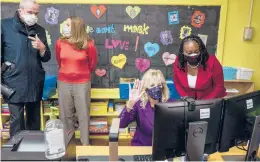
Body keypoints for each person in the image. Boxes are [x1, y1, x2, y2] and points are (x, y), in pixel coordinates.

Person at [1, 0, 51, 137]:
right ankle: (16, 155)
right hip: (13, 83)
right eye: (30, 12)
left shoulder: (40, 30)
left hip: (35, 82)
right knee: (16, 121)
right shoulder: (4, 26)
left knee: (34, 122)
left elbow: (46, 57)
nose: (34, 16)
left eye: (36, 13)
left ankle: (33, 153)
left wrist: (42, 48)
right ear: (20, 11)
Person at [56, 17, 98, 145]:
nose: (65, 27)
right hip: (63, 82)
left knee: (83, 114)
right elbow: (59, 61)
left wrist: (79, 74)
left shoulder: (88, 44)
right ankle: (68, 144)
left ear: (76, 28)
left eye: (68, 25)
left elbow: (92, 64)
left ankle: (85, 144)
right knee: (65, 115)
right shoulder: (60, 42)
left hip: (82, 83)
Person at [119, 69, 171, 146]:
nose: (156, 88)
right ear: (146, 89)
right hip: (141, 147)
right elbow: (121, 124)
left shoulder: (171, 104)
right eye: (152, 85)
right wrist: (130, 103)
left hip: (164, 150)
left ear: (163, 87)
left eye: (159, 85)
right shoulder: (138, 104)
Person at [173, 35, 226, 100]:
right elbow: (177, 82)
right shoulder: (179, 62)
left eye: (196, 52)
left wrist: (204, 103)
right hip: (189, 102)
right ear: (183, 52)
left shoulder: (212, 62)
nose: (193, 55)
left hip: (210, 101)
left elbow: (219, 86)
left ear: (201, 50)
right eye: (189, 53)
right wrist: (185, 97)